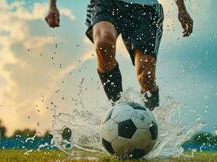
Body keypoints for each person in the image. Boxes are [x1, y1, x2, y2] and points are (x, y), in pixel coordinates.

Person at [45, 0, 193, 110]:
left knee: (146, 76)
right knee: (103, 45)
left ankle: (152, 120)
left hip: (146, 8)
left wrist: (182, 9)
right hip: (107, 3)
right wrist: (52, 6)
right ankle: (118, 109)